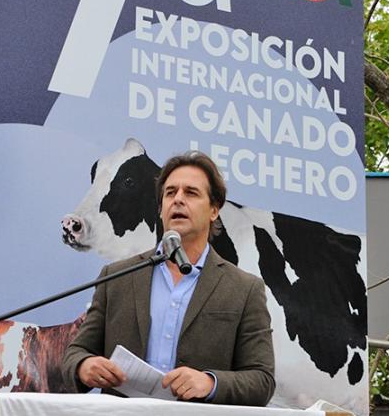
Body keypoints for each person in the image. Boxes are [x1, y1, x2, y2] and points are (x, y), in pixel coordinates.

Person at [61, 151, 275, 406]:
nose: (178, 200)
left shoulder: (244, 289)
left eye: (191, 193)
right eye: (170, 193)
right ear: (160, 207)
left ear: (214, 210)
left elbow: (262, 380)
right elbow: (76, 353)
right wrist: (84, 366)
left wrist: (210, 383)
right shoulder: (115, 277)